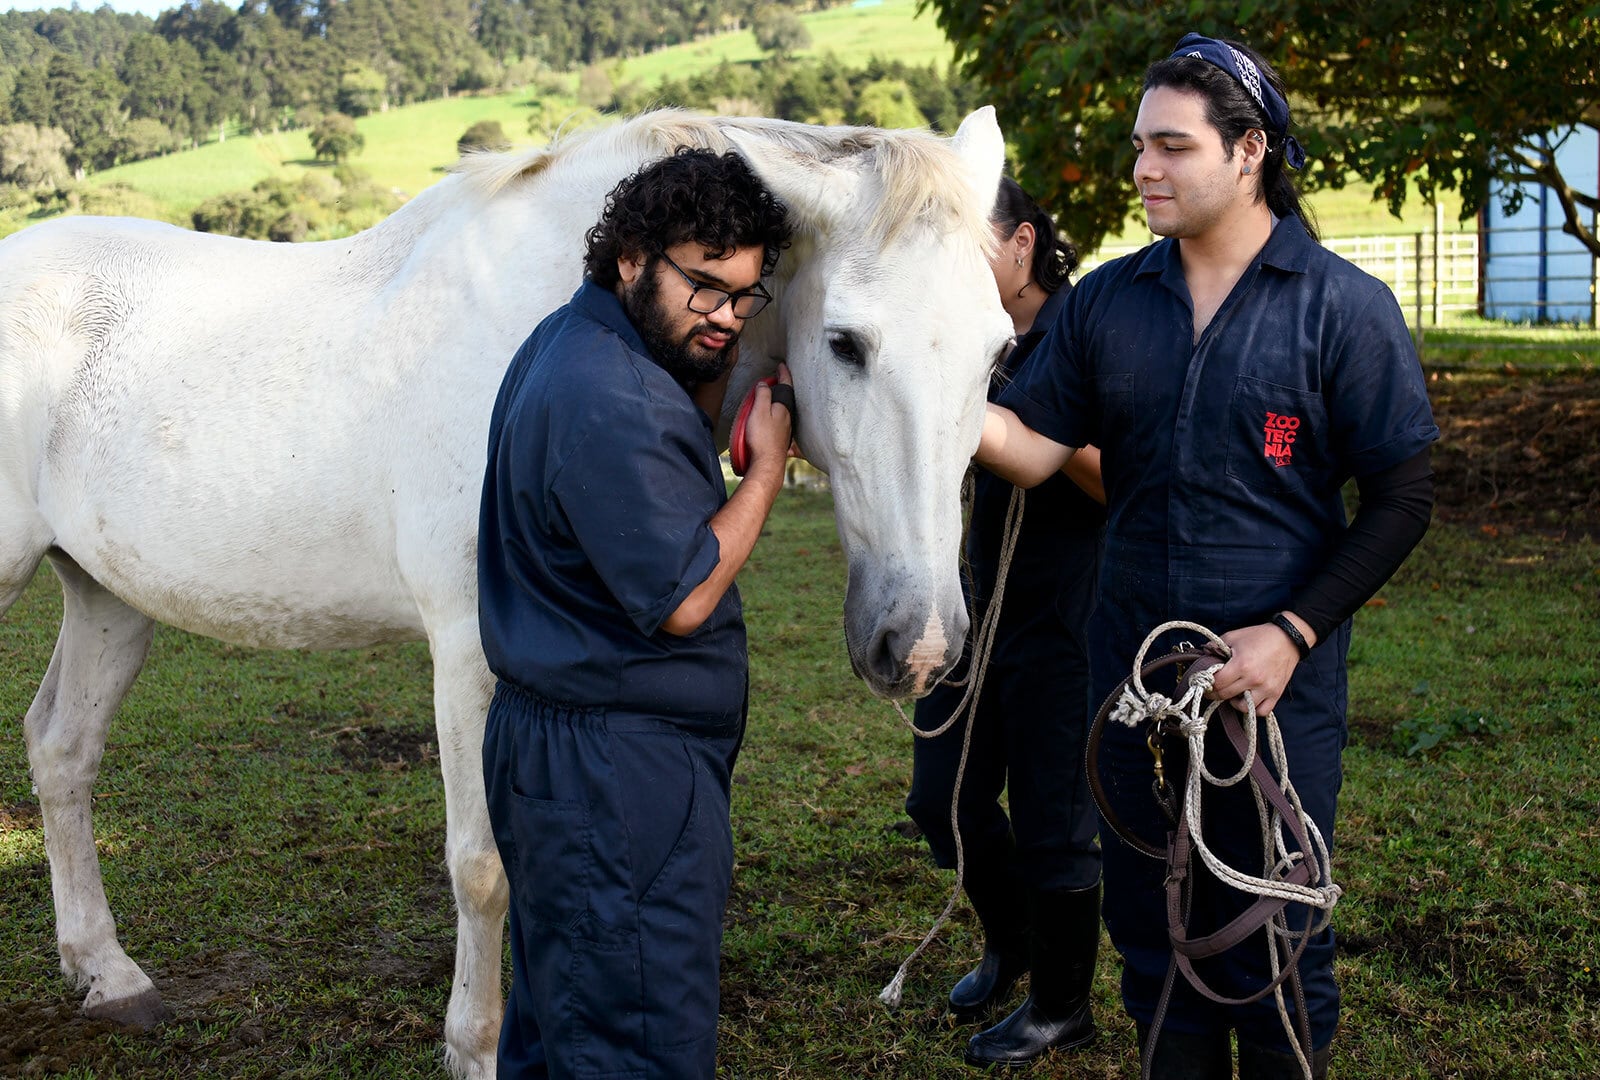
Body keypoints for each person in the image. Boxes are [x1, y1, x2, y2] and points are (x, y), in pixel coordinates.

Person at [974, 35, 1438, 1079]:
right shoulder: (1103, 302)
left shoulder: (1339, 308)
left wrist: (1291, 632)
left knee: (1272, 948)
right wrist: (909, 394)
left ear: (1249, 153)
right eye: (1140, 145)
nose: (1143, 168)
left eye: (1171, 147)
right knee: (1156, 953)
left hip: (1271, 697)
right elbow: (1029, 449)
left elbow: (1402, 497)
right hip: (1132, 689)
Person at [476, 147, 794, 1079]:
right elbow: (687, 596)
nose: (726, 315)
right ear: (629, 258)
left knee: (561, 1024)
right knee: (636, 1042)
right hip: (616, 776)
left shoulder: (571, 345)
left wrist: (706, 350)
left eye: (744, 297)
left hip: (566, 752)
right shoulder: (606, 394)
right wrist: (766, 466)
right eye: (704, 287)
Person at [904, 177, 1107, 1068]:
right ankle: (1012, 944)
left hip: (1068, 605)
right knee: (939, 797)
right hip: (977, 602)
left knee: (1053, 820)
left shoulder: (1088, 331)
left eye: (970, 245)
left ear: (1023, 243)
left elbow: (1114, 474)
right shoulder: (962, 336)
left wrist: (1011, 427)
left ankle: (1063, 1006)